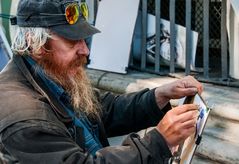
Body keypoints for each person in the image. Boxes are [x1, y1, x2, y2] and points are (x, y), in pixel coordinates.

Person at [0, 0, 203, 163]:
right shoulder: (24, 117)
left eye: (84, 40)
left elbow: (103, 110)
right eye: (72, 41)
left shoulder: (49, 73)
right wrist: (158, 142)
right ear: (34, 44)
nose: (85, 50)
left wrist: (159, 95)